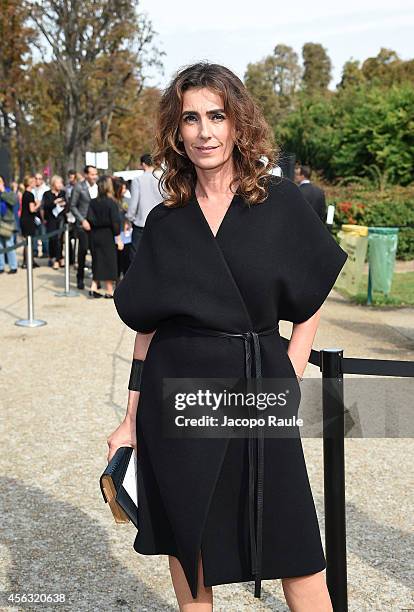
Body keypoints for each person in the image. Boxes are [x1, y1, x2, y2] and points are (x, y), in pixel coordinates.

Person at [108, 62, 348, 611]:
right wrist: (129, 417)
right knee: (189, 547)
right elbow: (147, 326)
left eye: (216, 116)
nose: (205, 131)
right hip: (178, 392)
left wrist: (293, 363)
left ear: (239, 124)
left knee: (297, 550)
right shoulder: (168, 219)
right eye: (191, 119)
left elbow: (312, 292)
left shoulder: (278, 201)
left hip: (258, 378)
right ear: (177, 131)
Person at [86, 175, 122, 298]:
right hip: (108, 234)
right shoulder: (111, 203)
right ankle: (109, 289)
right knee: (109, 262)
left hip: (95, 234)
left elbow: (89, 218)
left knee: (97, 260)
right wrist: (118, 237)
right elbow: (115, 222)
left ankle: (94, 287)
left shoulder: (93, 202)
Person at [126, 153, 162, 261]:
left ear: (143, 164)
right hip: (159, 221)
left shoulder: (138, 180)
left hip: (141, 222)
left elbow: (134, 202)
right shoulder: (163, 178)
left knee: (136, 254)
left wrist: (130, 217)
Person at [70, 165, 99, 289]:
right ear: (86, 175)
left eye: (95, 174)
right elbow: (72, 206)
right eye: (92, 174)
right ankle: (80, 277)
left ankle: (95, 280)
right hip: (83, 225)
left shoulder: (98, 187)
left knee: (96, 252)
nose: (94, 176)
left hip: (96, 225)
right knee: (83, 251)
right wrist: (82, 221)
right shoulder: (78, 187)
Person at [42, 175, 67, 269]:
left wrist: (63, 203)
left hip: (60, 219)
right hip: (51, 219)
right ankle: (52, 257)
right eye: (58, 183)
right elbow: (46, 206)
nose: (60, 185)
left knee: (59, 240)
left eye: (61, 183)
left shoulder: (63, 193)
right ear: (53, 184)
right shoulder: (47, 194)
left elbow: (67, 204)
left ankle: (58, 259)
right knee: (52, 239)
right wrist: (55, 202)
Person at [112, 176, 132, 278]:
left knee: (126, 258)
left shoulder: (128, 200)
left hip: (126, 234)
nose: (124, 190)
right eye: (122, 188)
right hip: (115, 234)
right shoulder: (112, 201)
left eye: (125, 188)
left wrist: (128, 222)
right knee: (117, 260)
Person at [20, 175, 41, 269]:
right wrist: (39, 205)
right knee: (28, 241)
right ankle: (27, 261)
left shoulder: (25, 194)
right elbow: (32, 209)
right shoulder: (30, 194)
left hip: (24, 219)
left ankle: (29, 260)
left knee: (28, 241)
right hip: (28, 221)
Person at [0, 176, 18, 274]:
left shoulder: (8, 192)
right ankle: (1, 266)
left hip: (7, 223)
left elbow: (13, 201)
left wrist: (2, 192)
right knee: (0, 245)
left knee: (9, 244)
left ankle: (13, 266)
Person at [32, 172, 50, 258]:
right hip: (33, 214)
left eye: (39, 179)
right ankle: (35, 251)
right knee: (34, 234)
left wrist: (38, 204)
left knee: (43, 234)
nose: (37, 180)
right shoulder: (32, 189)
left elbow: (44, 202)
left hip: (43, 214)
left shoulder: (46, 189)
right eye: (36, 178)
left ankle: (45, 251)